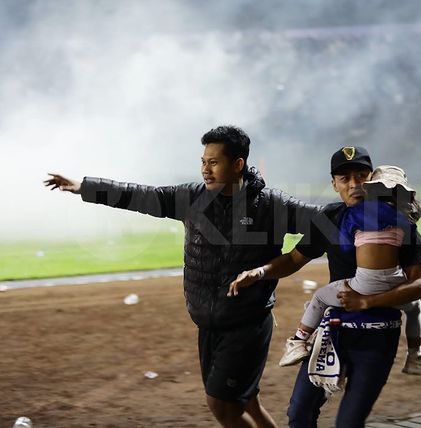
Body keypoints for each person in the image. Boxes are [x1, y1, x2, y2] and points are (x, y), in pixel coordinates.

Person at [43, 125, 320, 428]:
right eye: (203, 161)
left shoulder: (270, 206)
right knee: (246, 401)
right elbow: (139, 195)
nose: (205, 169)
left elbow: (324, 222)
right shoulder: (192, 198)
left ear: (238, 164)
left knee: (222, 405)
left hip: (246, 324)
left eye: (214, 162)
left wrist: (286, 262)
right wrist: (84, 185)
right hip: (209, 323)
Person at [228, 147, 421, 427]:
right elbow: (293, 259)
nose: (354, 184)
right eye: (344, 178)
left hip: (376, 338)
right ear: (334, 184)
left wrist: (368, 302)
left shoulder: (398, 220)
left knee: (348, 423)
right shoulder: (328, 218)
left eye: (361, 175)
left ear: (371, 178)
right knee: (299, 415)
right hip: (332, 334)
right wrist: (260, 271)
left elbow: (420, 284)